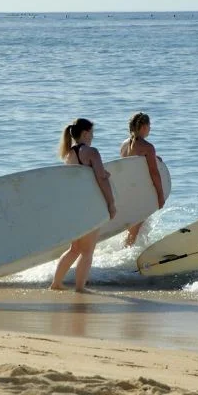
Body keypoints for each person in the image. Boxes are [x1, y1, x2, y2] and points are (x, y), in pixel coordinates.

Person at [50, 118, 117, 292]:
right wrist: (111, 203)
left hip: (75, 207)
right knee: (87, 251)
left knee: (75, 249)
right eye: (92, 133)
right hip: (90, 208)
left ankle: (56, 283)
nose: (93, 136)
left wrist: (101, 173)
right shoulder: (92, 152)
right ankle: (80, 288)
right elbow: (101, 179)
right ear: (86, 133)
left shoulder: (69, 154)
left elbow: (83, 178)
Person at [119, 112, 165, 246]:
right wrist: (160, 195)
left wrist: (155, 159)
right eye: (149, 126)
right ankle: (126, 257)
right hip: (140, 191)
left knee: (134, 228)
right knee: (136, 229)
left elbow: (133, 165)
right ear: (144, 127)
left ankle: (132, 250)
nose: (150, 128)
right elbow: (154, 173)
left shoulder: (124, 145)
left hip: (126, 189)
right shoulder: (148, 147)